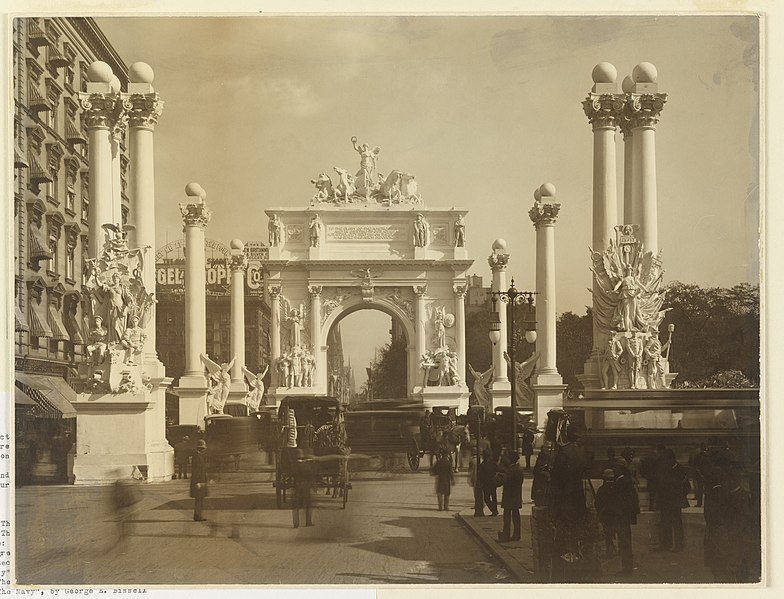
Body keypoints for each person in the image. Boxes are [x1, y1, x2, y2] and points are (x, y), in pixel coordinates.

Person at [596, 468, 638, 575]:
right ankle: (626, 567)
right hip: (623, 517)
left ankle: (626, 568)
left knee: (621, 541)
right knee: (624, 542)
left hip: (618, 517)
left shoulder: (619, 484)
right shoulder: (624, 483)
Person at [655, 449, 689, 551]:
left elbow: (687, 487)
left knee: (676, 523)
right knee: (666, 523)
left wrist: (678, 494)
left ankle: (679, 545)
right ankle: (666, 545)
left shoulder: (679, 469)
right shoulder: (666, 468)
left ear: (671, 459)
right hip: (666, 500)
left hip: (674, 500)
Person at [497, 451, 524, 542]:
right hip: (516, 494)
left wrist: (498, 478)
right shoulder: (518, 468)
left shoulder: (512, 469)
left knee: (507, 515)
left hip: (509, 495)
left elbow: (505, 480)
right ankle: (516, 534)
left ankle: (506, 535)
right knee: (515, 514)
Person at [292, 449, 315, 528]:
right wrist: (312, 485)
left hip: (297, 486)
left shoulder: (294, 466)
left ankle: (296, 523)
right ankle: (308, 522)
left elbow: (292, 476)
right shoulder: (306, 466)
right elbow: (310, 476)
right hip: (305, 486)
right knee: (308, 504)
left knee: (296, 505)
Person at [477, 448, 500, 516]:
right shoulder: (493, 464)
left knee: (487, 498)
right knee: (494, 497)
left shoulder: (482, 465)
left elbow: (480, 476)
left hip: (486, 484)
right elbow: (498, 470)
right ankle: (495, 510)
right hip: (493, 483)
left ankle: (494, 510)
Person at [190, 439, 208, 521]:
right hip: (198, 481)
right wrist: (197, 482)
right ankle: (198, 516)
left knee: (200, 499)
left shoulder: (199, 455)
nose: (204, 450)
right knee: (199, 499)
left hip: (201, 480)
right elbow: (196, 470)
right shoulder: (197, 456)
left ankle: (198, 515)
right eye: (203, 448)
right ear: (200, 448)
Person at [689, 442, 711, 507]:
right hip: (707, 475)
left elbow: (694, 466)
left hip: (699, 474)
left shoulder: (697, 456)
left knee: (700, 489)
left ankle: (699, 503)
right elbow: (711, 466)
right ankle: (708, 503)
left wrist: (699, 472)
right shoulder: (709, 456)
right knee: (708, 489)